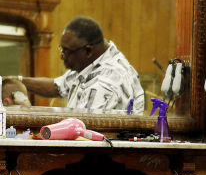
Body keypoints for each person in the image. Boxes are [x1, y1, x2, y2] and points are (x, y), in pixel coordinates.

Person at [16, 17, 144, 113]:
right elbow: (57, 86)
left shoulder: (105, 82)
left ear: (88, 51)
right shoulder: (91, 63)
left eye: (67, 52)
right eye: (62, 49)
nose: (62, 56)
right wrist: (16, 82)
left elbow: (81, 129)